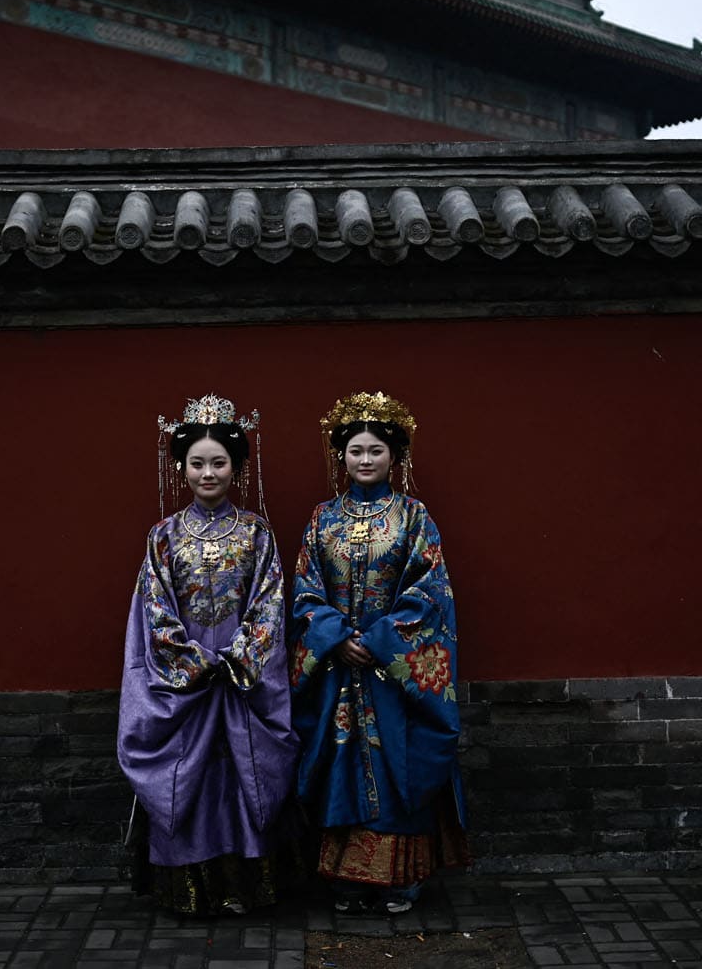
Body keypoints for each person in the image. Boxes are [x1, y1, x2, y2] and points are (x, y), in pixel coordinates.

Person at [117, 394, 299, 915]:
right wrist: (193, 660)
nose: (208, 473)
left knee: (242, 775)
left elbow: (269, 604)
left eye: (219, 462)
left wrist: (239, 656)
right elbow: (153, 608)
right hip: (186, 684)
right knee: (189, 778)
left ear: (236, 467)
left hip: (243, 679)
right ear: (182, 468)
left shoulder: (257, 534)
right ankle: (190, 891)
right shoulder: (164, 537)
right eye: (197, 463)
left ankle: (245, 887)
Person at [289, 391, 468, 915]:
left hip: (393, 672)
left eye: (376, 451)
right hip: (335, 668)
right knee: (337, 761)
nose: (365, 460)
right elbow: (303, 591)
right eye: (355, 451)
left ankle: (399, 879)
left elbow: (430, 591)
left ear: (395, 456)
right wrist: (333, 637)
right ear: (340, 456)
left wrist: (378, 640)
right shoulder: (322, 519)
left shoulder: (414, 518)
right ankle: (344, 878)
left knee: (398, 763)